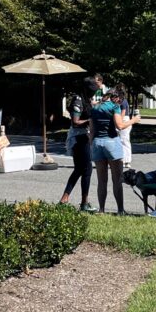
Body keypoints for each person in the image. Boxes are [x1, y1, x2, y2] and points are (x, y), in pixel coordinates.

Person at [90, 88, 138, 214]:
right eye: (120, 100)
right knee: (117, 180)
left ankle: (101, 209)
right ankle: (120, 210)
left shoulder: (95, 108)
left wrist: (92, 145)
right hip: (111, 143)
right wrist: (134, 120)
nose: (120, 102)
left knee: (101, 181)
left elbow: (92, 130)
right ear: (115, 97)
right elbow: (120, 126)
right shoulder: (114, 107)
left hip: (97, 144)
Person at [60, 78, 95, 212]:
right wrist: (90, 120)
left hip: (84, 136)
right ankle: (84, 203)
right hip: (78, 138)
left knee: (80, 169)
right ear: (86, 89)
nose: (93, 93)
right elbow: (75, 122)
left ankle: (66, 198)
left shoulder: (86, 100)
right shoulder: (78, 100)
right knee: (87, 169)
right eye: (92, 91)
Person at [115, 83, 136, 168]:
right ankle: (124, 160)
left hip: (124, 120)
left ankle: (126, 160)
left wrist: (118, 121)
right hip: (123, 119)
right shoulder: (121, 101)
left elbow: (122, 114)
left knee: (124, 140)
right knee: (123, 141)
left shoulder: (123, 102)